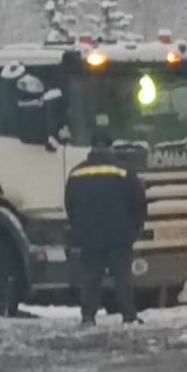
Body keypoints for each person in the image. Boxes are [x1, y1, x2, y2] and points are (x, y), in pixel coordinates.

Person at [64, 130, 148, 326]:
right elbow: (139, 202)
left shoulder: (77, 173)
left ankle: (88, 315)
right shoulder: (124, 171)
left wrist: (78, 229)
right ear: (111, 147)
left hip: (89, 236)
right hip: (119, 235)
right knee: (122, 277)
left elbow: (70, 205)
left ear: (92, 148)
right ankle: (128, 314)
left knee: (91, 277)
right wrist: (136, 228)